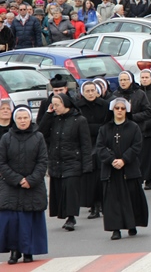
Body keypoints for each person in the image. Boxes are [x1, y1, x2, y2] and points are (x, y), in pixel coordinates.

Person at [0, 107, 48, 264]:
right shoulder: (6, 138)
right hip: (11, 185)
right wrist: (18, 180)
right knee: (12, 220)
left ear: (30, 119)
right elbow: (2, 163)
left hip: (33, 186)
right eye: (19, 118)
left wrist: (31, 180)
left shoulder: (38, 137)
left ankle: (29, 252)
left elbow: (42, 161)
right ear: (15, 120)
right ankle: (14, 251)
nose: (22, 121)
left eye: (25, 118)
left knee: (30, 220)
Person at [96, 98, 149, 240]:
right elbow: (100, 147)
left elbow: (137, 146)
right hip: (111, 171)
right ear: (112, 110)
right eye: (117, 108)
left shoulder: (134, 127)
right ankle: (115, 229)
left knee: (131, 199)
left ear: (127, 111)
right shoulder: (104, 129)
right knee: (113, 201)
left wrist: (124, 159)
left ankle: (132, 224)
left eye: (123, 108)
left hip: (129, 170)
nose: (119, 111)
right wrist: (112, 160)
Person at [38, 93, 92, 231]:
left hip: (73, 160)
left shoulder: (79, 120)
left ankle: (71, 217)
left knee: (70, 189)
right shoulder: (54, 119)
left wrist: (87, 165)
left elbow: (86, 144)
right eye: (53, 105)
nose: (55, 107)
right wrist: (48, 114)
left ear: (66, 104)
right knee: (60, 189)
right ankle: (64, 214)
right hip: (56, 160)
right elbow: (41, 132)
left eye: (57, 105)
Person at [76, 81, 109, 220]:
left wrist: (92, 128)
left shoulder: (105, 105)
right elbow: (78, 126)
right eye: (87, 91)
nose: (90, 93)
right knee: (89, 177)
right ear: (83, 93)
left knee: (101, 175)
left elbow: (107, 124)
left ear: (97, 91)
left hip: (102, 142)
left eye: (92, 90)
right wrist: (95, 128)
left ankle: (103, 204)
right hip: (85, 144)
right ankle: (93, 205)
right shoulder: (78, 107)